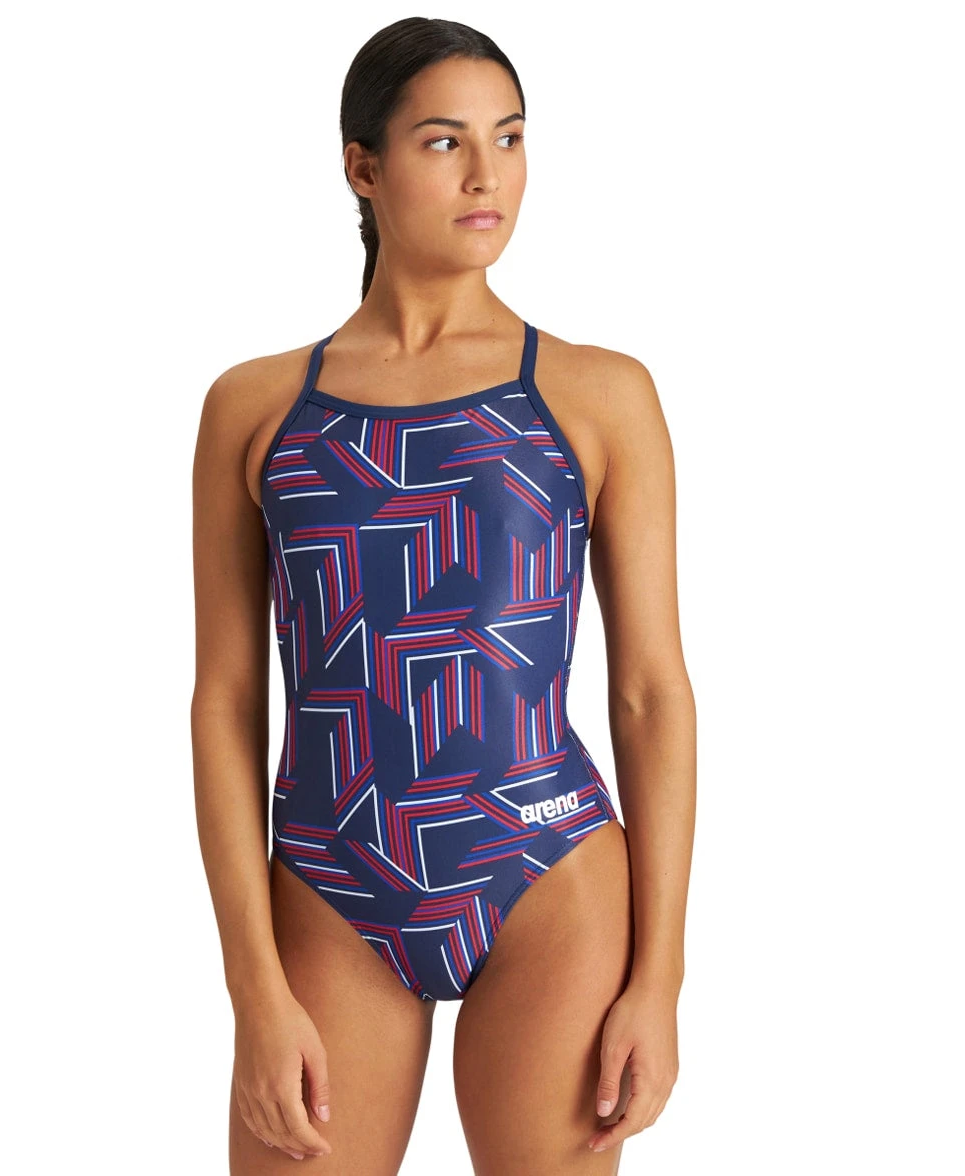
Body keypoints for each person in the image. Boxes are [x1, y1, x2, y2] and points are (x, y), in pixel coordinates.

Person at [191, 16, 695, 1174]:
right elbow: (224, 701)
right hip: (332, 884)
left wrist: (660, 978)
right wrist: (252, 989)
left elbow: (651, 694)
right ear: (361, 167)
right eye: (443, 141)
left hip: (546, 873)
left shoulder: (597, 394)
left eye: (509, 138)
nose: (487, 175)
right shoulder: (256, 409)